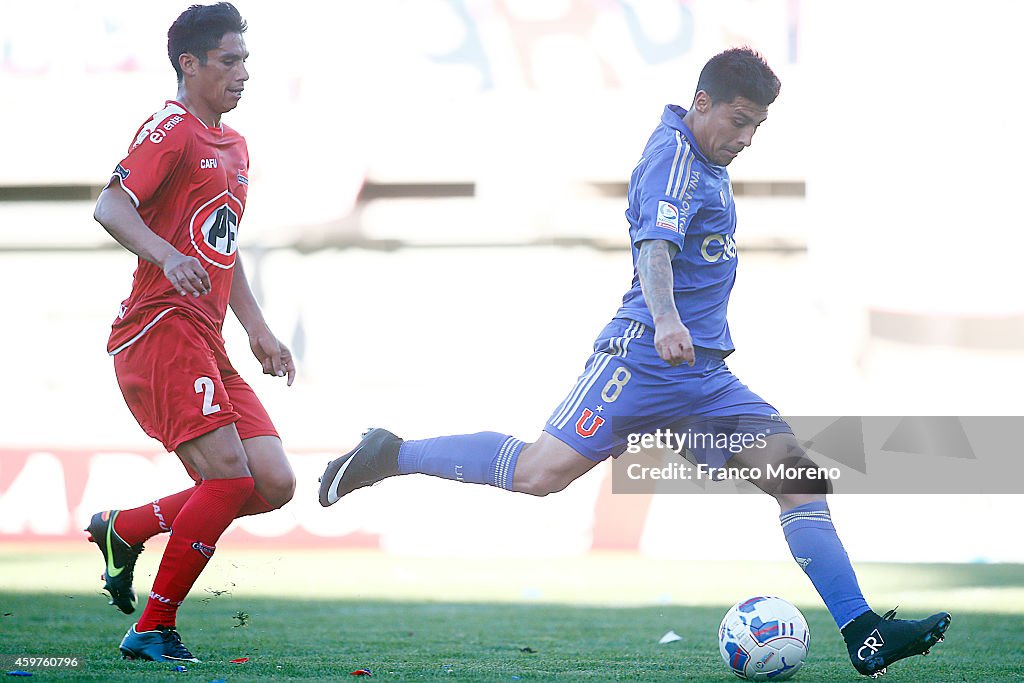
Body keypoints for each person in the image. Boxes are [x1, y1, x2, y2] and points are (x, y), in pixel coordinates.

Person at [318, 47, 950, 677]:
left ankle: (864, 632)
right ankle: (390, 453)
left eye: (757, 126)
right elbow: (653, 247)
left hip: (702, 378)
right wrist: (669, 320)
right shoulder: (673, 158)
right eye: (739, 121)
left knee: (798, 478)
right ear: (702, 102)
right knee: (539, 474)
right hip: (645, 359)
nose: (747, 138)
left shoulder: (705, 155)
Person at [87, 2, 296, 663]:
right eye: (229, 61)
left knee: (271, 481)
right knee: (230, 478)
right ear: (191, 63)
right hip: (159, 329)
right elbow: (110, 205)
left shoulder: (234, 147)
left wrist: (260, 330)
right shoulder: (170, 129)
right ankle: (152, 626)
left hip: (207, 337)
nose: (242, 74)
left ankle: (130, 526)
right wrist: (163, 253)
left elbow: (223, 249)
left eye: (245, 61)